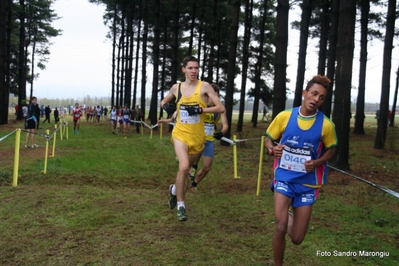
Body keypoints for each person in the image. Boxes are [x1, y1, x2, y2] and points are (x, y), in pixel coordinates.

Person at [264, 75, 337, 266]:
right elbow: (268, 139)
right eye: (314, 94)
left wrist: (317, 162)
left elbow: (332, 149)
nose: (316, 100)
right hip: (284, 178)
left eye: (321, 98)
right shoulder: (284, 116)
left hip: (307, 184)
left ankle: (286, 214)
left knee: (297, 238)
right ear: (304, 93)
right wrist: (272, 149)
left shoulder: (327, 125)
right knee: (279, 228)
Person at [159, 55, 225, 221]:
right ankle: (181, 206)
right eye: (190, 68)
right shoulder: (177, 88)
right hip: (180, 133)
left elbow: (220, 108)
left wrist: (201, 111)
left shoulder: (205, 87)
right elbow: (163, 102)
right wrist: (168, 107)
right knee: (184, 166)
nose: (194, 71)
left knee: (186, 170)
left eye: (196, 68)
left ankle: (174, 190)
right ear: (184, 69)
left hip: (198, 137)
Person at [188, 83, 228, 191]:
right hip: (197, 138)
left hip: (209, 140)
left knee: (206, 167)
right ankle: (193, 166)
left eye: (217, 96)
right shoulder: (201, 105)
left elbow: (225, 125)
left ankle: (194, 184)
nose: (214, 99)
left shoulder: (220, 108)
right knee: (187, 162)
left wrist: (221, 133)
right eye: (212, 96)